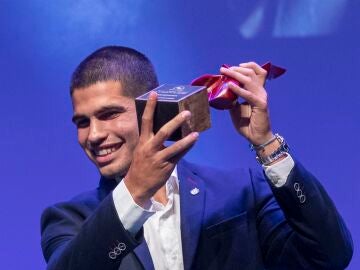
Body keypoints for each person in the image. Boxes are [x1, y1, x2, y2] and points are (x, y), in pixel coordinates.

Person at [41, 46, 353, 270]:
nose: (93, 135)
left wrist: (268, 146)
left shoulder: (241, 192)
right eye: (82, 122)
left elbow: (330, 256)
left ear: (151, 107)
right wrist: (134, 192)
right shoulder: (70, 219)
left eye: (108, 114)